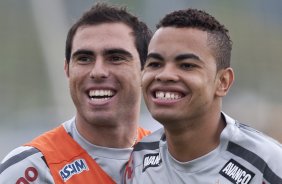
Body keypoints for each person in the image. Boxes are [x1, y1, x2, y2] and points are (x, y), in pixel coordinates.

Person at [124, 8, 282, 184]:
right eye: (155, 63)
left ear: (223, 82)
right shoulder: (139, 159)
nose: (164, 75)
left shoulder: (268, 165)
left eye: (186, 65)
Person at [0, 3, 152, 184]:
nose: (98, 71)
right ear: (67, 70)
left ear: (147, 69)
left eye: (116, 58)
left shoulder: (169, 157)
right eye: (84, 59)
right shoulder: (33, 170)